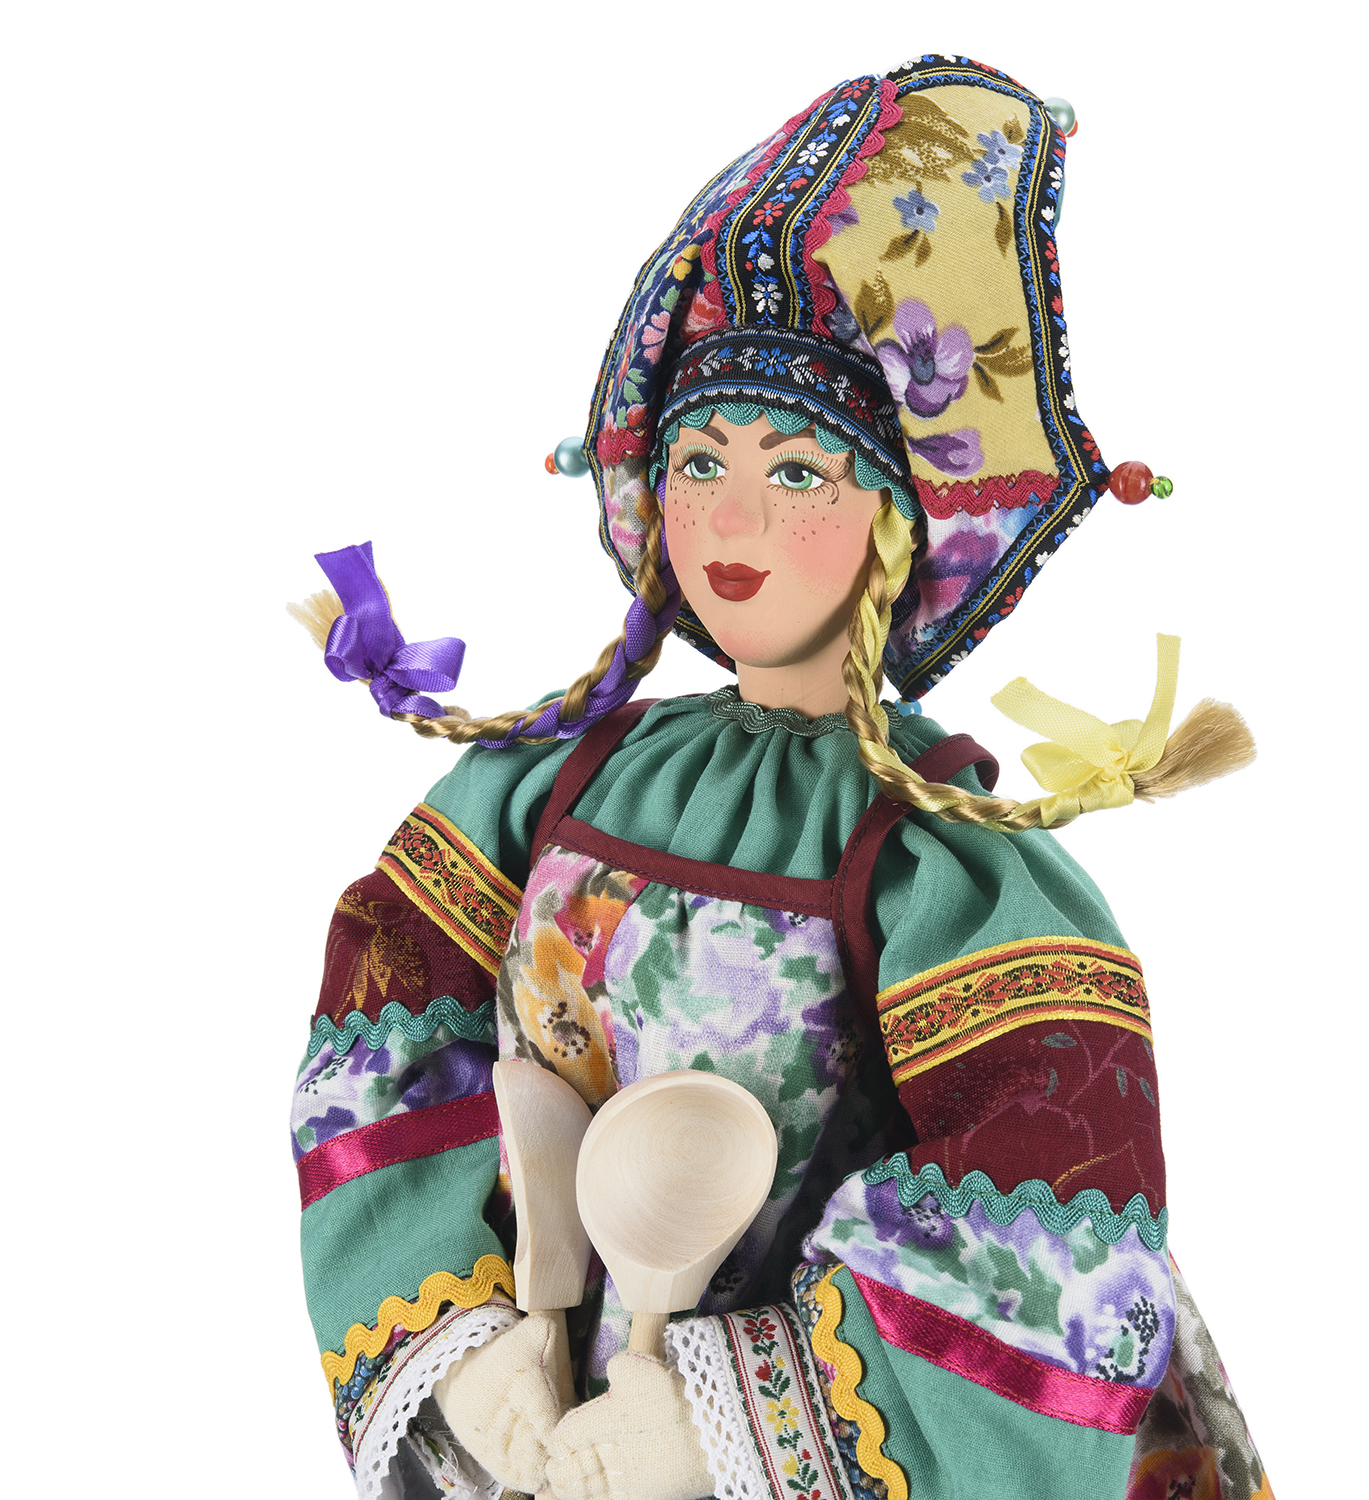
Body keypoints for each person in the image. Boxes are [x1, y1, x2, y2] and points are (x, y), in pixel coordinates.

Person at [291, 53, 1273, 1500]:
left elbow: (1051, 1204)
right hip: (545, 1428)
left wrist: (722, 1427)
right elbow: (383, 1032)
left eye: (800, 473)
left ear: (896, 525)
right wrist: (464, 1338)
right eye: (699, 461)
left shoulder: (941, 866)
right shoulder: (549, 787)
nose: (732, 515)